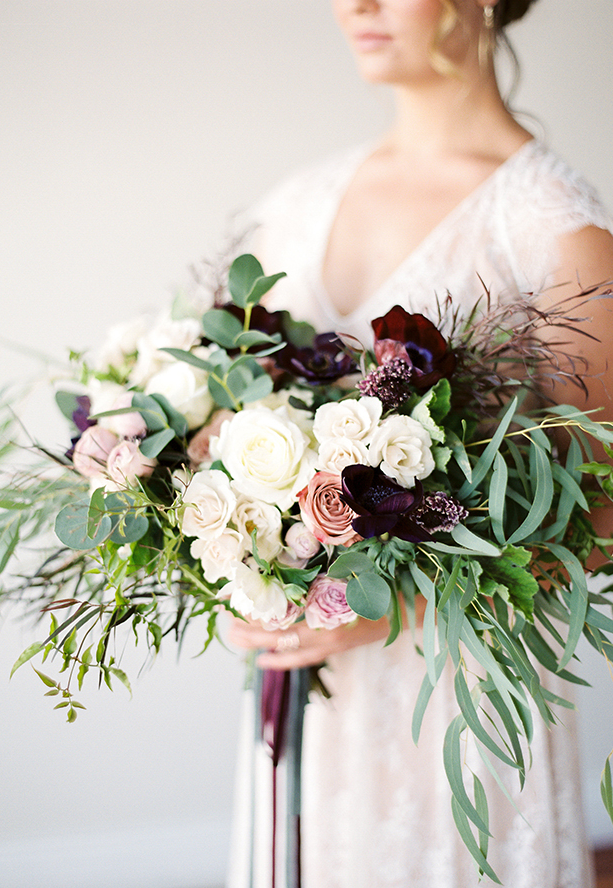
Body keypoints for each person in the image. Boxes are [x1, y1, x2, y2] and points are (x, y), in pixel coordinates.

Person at [226, 1, 613, 885]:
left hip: (459, 697)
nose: (356, 5)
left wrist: (394, 609)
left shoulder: (553, 228)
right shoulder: (296, 204)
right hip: (307, 695)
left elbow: (602, 512)